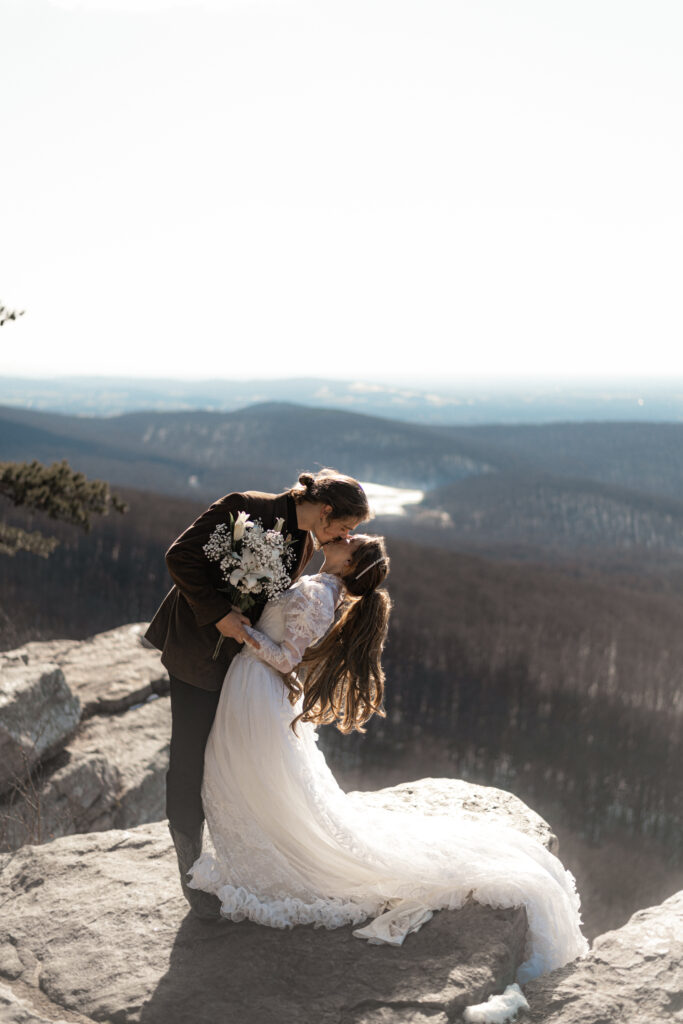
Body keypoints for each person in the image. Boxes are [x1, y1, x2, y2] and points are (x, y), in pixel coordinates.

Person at [188, 534, 588, 983]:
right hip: (252, 686)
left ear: (350, 561)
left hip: (258, 688)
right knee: (252, 781)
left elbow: (286, 660)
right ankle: (260, 853)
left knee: (250, 779)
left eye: (349, 540)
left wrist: (239, 629)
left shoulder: (320, 595)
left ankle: (270, 861)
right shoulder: (322, 586)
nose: (341, 537)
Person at [144, 469, 371, 919]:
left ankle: (235, 855)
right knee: (189, 754)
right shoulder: (246, 506)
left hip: (242, 661)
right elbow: (181, 557)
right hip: (195, 647)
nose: (347, 536)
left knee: (226, 756)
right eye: (346, 527)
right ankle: (189, 867)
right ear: (327, 510)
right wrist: (218, 616)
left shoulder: (307, 541)